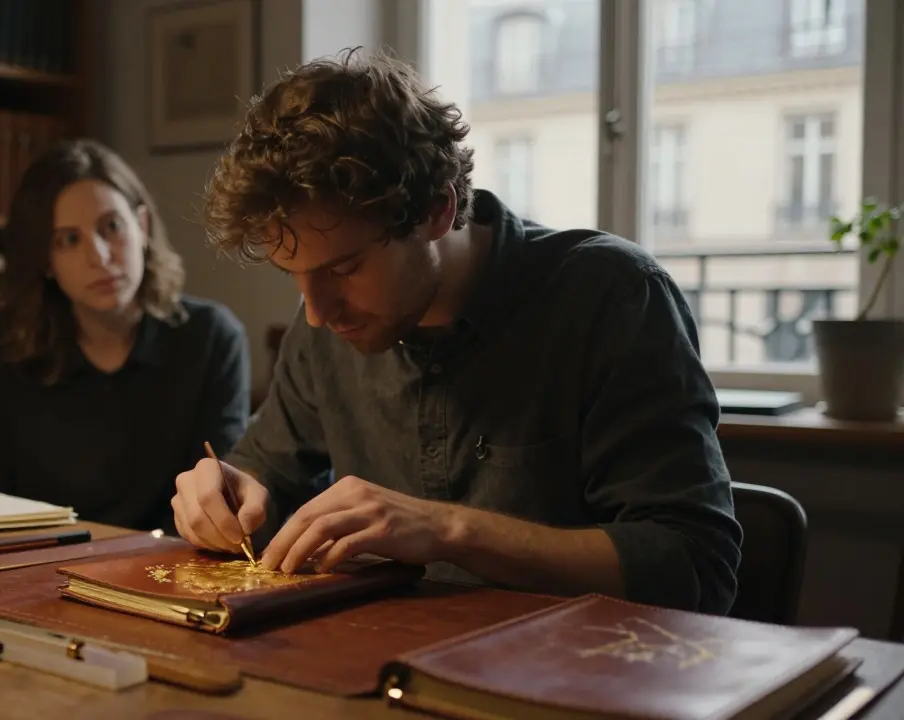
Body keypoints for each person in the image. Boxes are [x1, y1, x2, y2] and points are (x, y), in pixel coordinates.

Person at [171, 50, 743, 615]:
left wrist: (449, 530)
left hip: (574, 664)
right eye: (293, 275)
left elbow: (694, 565)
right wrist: (225, 496)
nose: (317, 312)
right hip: (381, 657)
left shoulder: (611, 297)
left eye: (344, 268)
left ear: (436, 211)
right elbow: (265, 477)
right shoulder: (326, 326)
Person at [0, 139, 251, 534]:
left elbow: (218, 500)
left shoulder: (211, 338)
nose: (100, 257)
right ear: (45, 261)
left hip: (172, 560)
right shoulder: (1, 349)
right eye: (69, 240)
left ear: (141, 227)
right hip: (40, 561)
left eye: (111, 227)